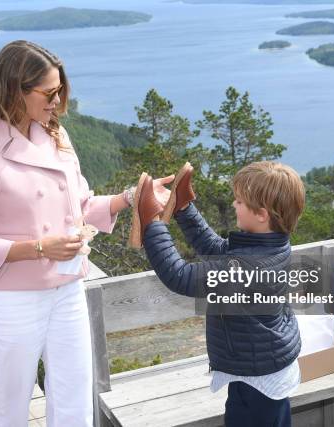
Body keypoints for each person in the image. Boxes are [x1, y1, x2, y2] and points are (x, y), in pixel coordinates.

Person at [0, 40, 170, 427]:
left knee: (75, 396)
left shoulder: (56, 137)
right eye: (50, 94)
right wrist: (38, 248)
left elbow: (80, 206)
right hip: (14, 299)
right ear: (16, 89)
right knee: (10, 402)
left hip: (68, 290)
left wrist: (132, 197)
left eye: (61, 91)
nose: (58, 102)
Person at [131, 161, 305, 427]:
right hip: (263, 367)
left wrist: (153, 226)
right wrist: (184, 210)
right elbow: (215, 248)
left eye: (239, 201)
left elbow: (180, 276)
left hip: (257, 380)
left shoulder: (249, 267)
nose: (234, 205)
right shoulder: (271, 245)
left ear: (261, 215)